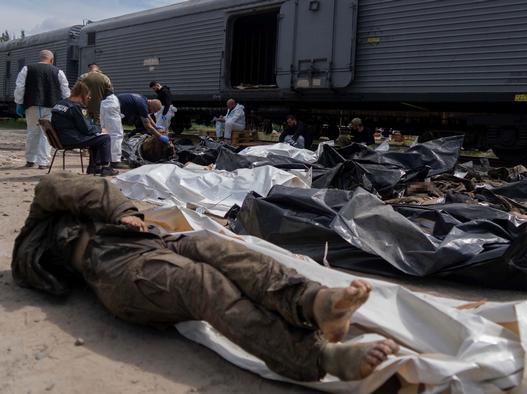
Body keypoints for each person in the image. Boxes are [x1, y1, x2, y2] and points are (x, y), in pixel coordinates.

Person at [12, 173, 399, 382]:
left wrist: (122, 214)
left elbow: (82, 189)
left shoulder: (87, 211)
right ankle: (321, 357)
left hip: (148, 242)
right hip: (115, 268)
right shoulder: (34, 235)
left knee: (214, 246)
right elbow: (54, 188)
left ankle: (312, 301)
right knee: (201, 283)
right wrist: (120, 212)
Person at [13, 49, 70, 169]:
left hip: (32, 105)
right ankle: (43, 162)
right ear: (52, 60)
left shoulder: (27, 69)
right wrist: (67, 104)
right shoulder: (58, 72)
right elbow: (65, 90)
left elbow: (20, 87)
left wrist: (19, 102)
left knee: (32, 132)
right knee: (47, 133)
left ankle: (30, 160)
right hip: (51, 106)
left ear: (40, 58)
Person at [50, 81, 118, 176]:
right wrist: (100, 129)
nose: (89, 98)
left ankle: (94, 167)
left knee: (96, 138)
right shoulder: (75, 107)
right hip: (72, 139)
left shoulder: (61, 104)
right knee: (104, 138)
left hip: (61, 138)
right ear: (83, 94)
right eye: (88, 96)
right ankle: (106, 167)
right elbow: (86, 129)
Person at [100, 91, 128, 168]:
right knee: (116, 136)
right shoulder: (113, 99)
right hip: (111, 104)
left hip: (104, 102)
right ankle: (115, 161)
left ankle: (105, 159)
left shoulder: (104, 101)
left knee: (105, 135)